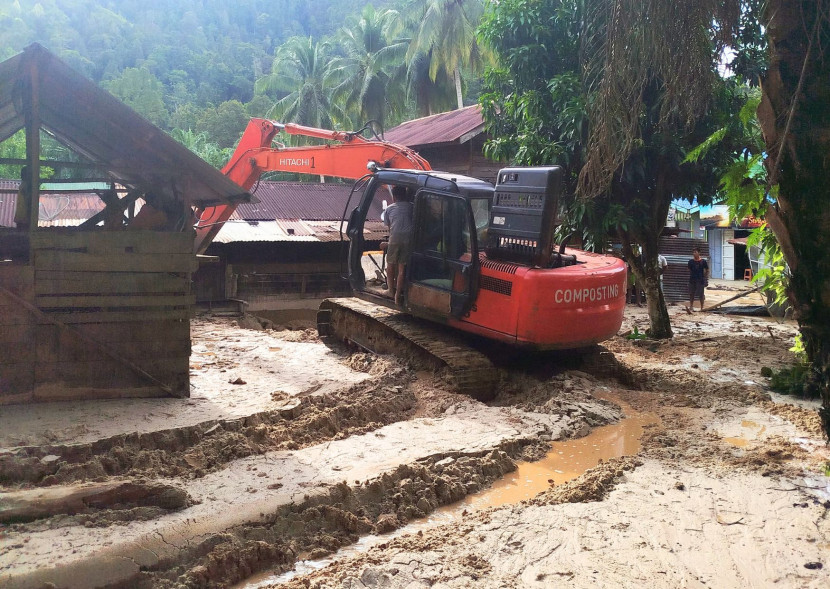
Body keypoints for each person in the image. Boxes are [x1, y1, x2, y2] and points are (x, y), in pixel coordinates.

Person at [380, 185, 414, 306]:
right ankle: (398, 295)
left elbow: (391, 229)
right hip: (408, 240)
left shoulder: (389, 209)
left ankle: (390, 290)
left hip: (395, 239)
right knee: (402, 269)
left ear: (394, 197)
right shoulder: (412, 207)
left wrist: (388, 243)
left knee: (390, 265)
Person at [687, 247, 709, 311]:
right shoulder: (691, 262)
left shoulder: (703, 261)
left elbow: (707, 270)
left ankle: (702, 307)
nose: (694, 254)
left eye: (695, 252)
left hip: (700, 280)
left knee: (701, 294)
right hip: (692, 279)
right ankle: (691, 306)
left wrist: (704, 276)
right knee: (691, 293)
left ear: (699, 253)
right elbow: (689, 269)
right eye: (693, 252)